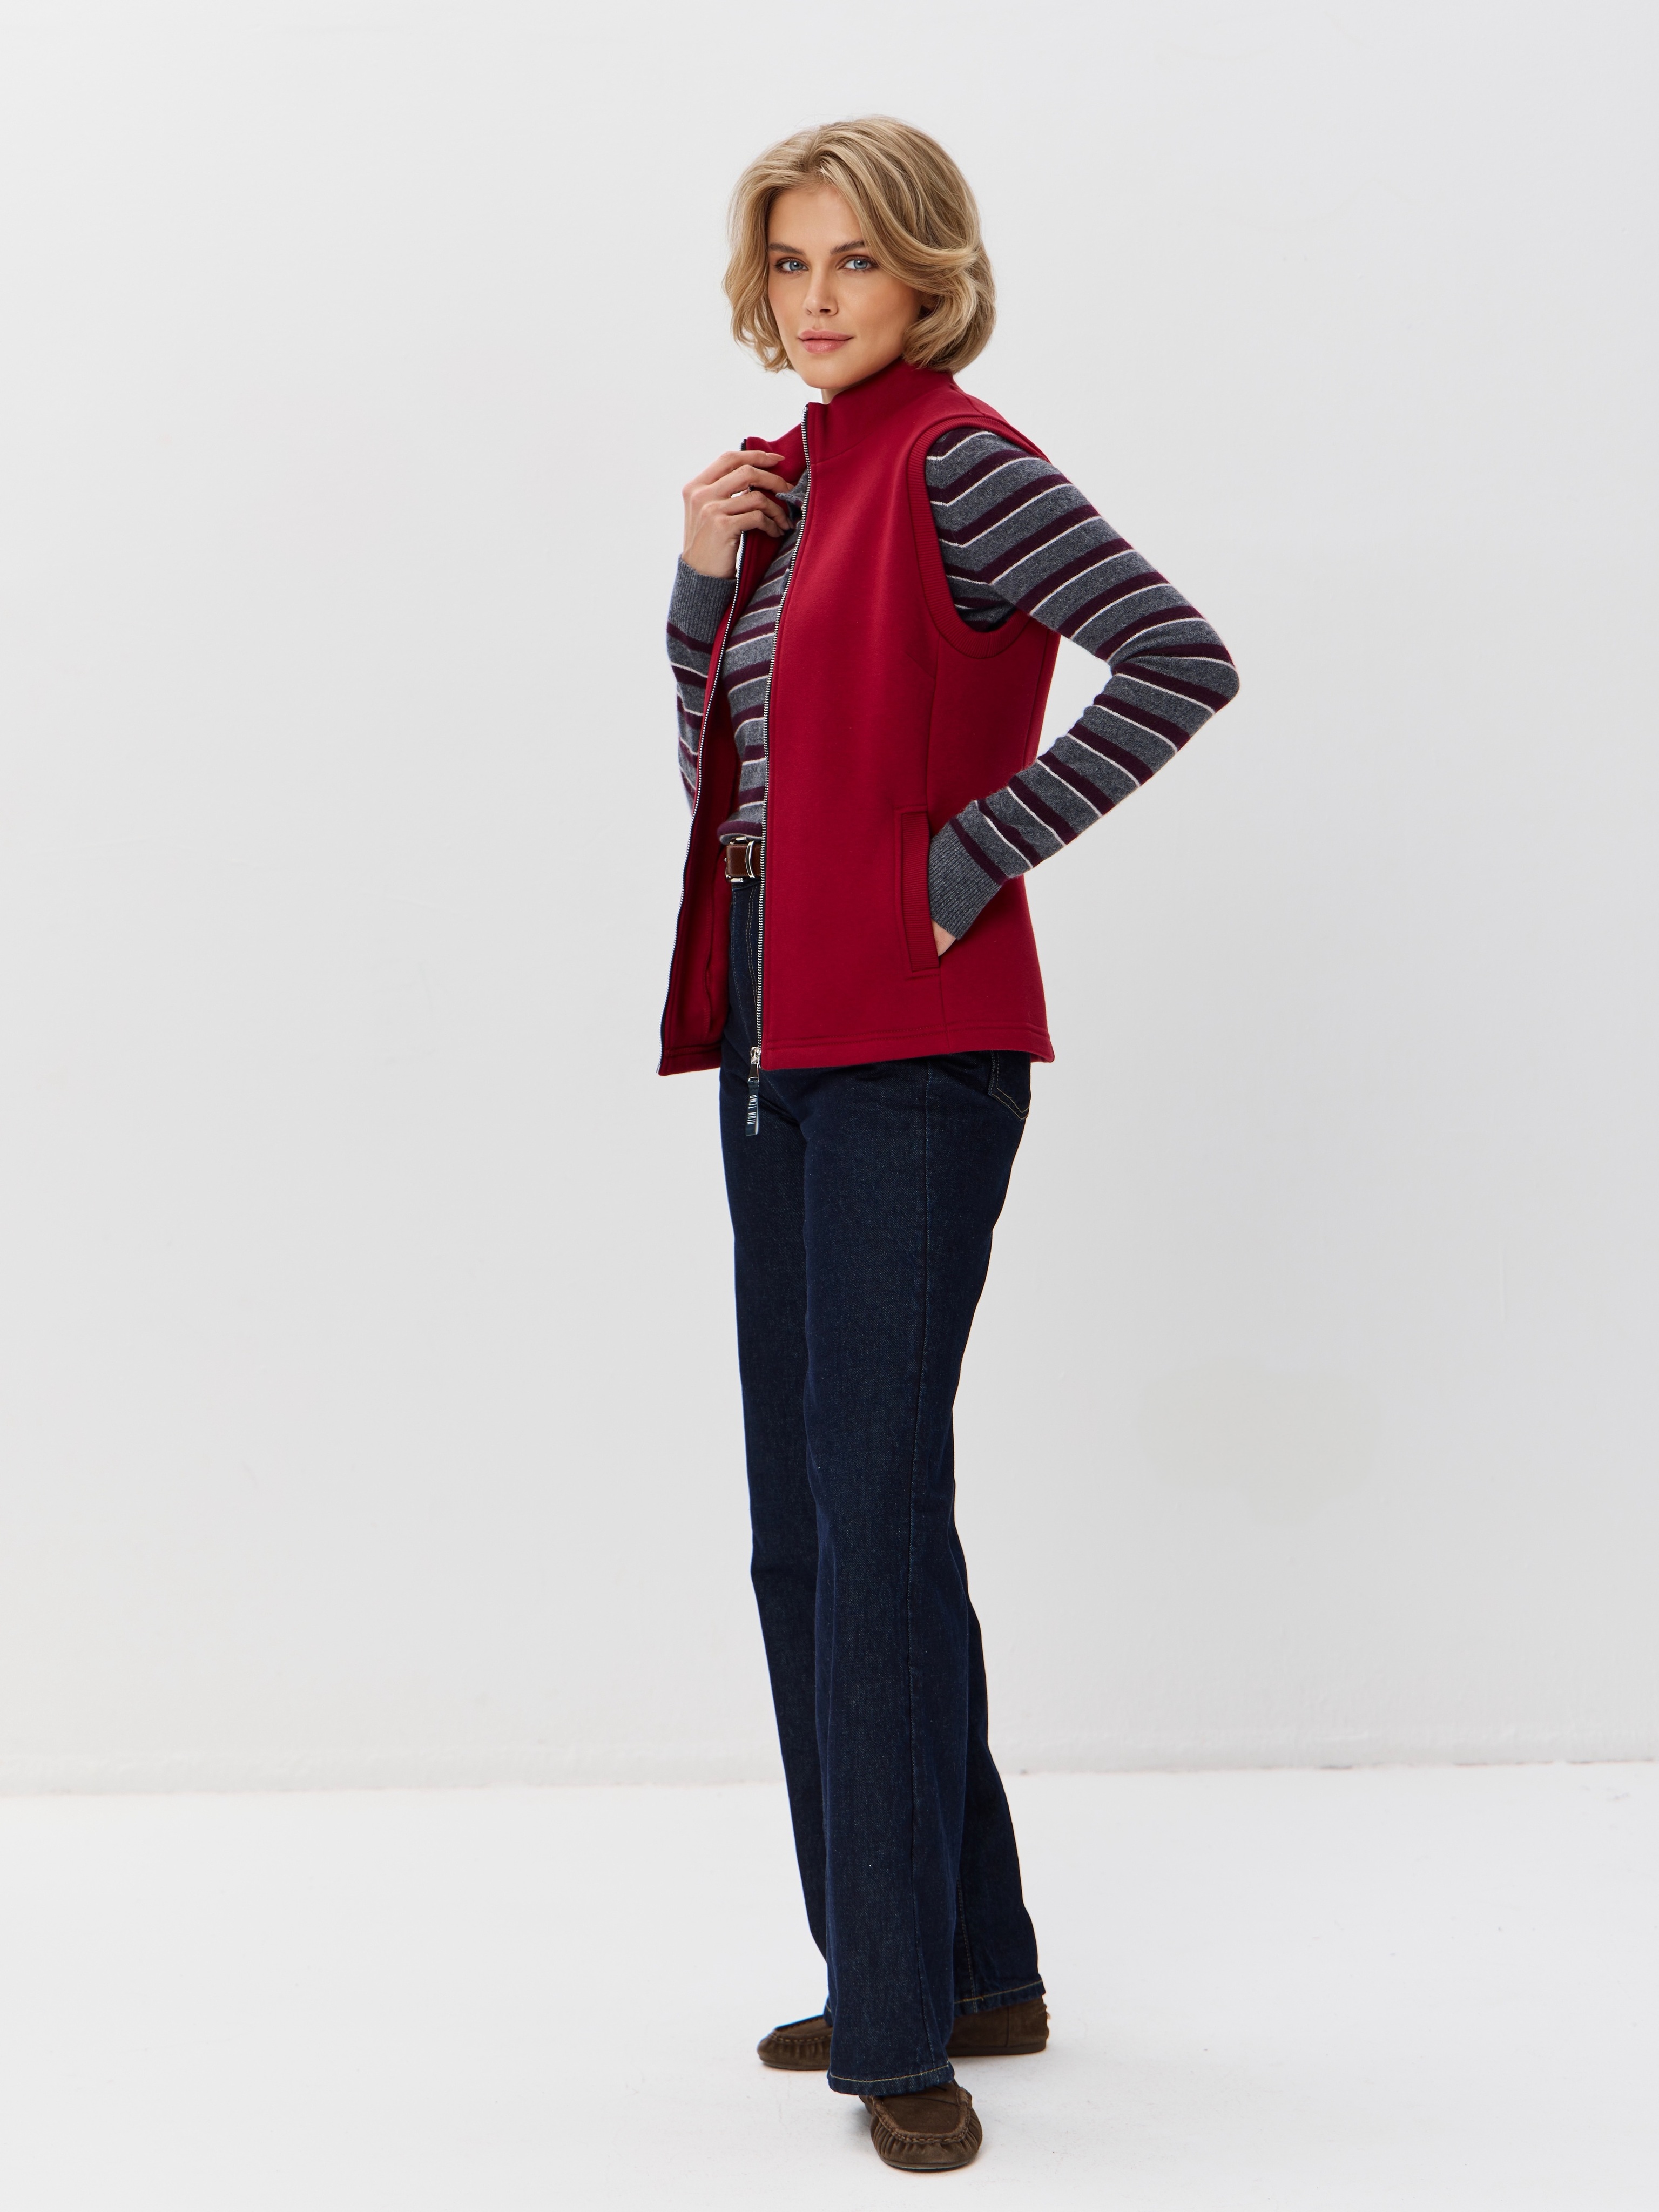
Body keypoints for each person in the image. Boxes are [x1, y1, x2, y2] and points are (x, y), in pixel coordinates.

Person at [659, 117, 1238, 2175]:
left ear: (929, 277)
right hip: (770, 1034)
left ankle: (898, 2029)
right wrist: (700, 582)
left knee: (873, 1519)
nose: (817, 298)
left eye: (855, 262)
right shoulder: (791, 482)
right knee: (811, 1528)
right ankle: (968, 1959)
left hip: (913, 1054)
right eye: (789, 263)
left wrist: (963, 861)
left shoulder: (958, 464)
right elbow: (723, 773)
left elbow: (1179, 659)